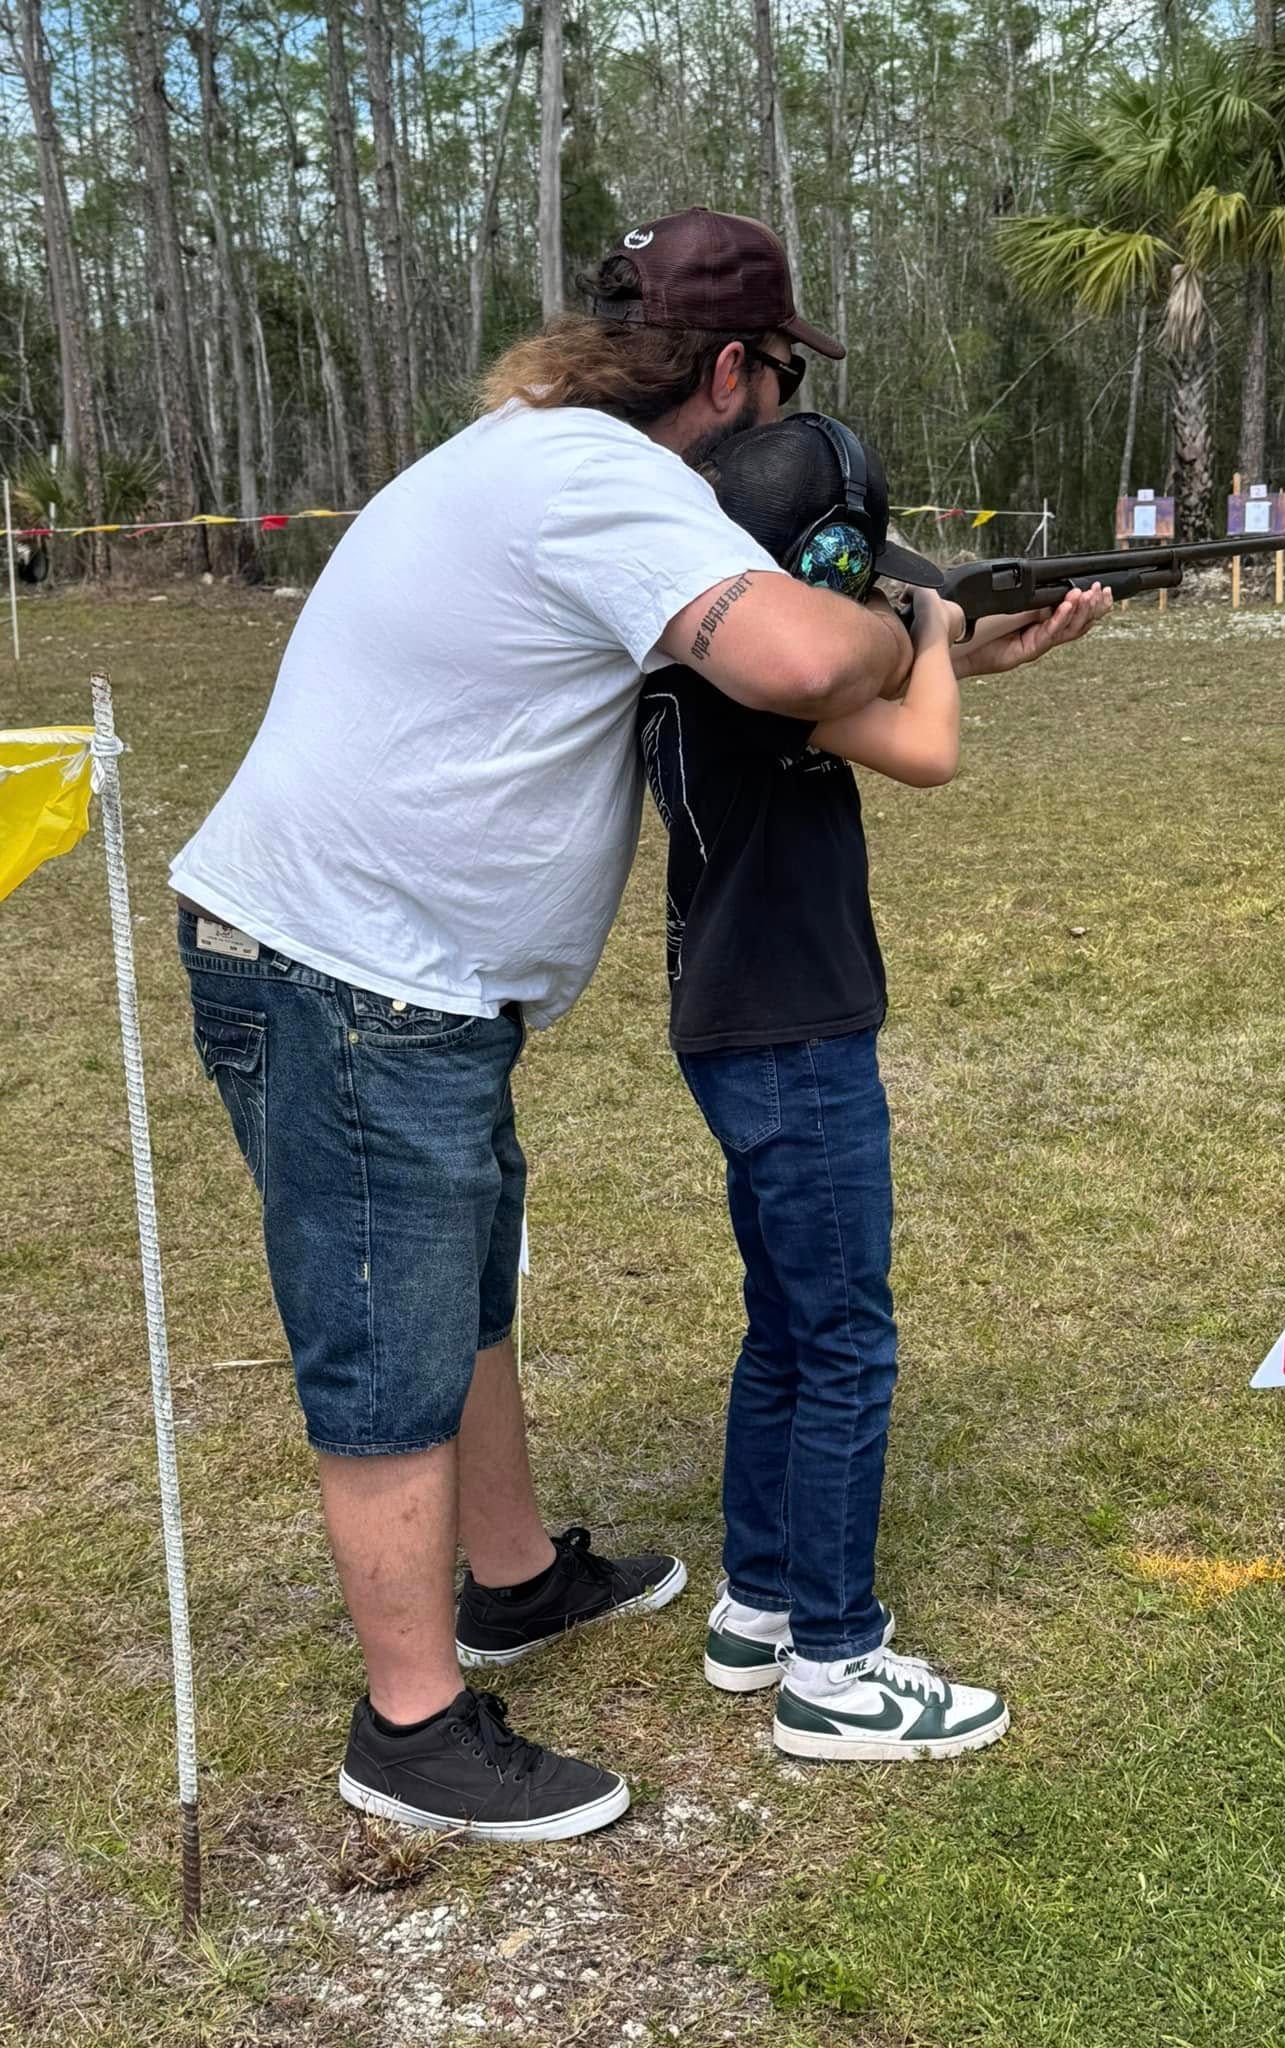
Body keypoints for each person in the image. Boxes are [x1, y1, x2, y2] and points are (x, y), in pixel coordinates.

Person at [170, 204, 1100, 1839]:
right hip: (349, 969)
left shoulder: (538, 458)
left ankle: (516, 1578)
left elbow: (784, 681)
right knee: (388, 1339)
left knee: (459, 1289)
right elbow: (817, 651)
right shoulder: (606, 482)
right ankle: (410, 1731)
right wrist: (920, 624)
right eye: (773, 376)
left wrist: (962, 649)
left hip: (401, 976)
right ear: (732, 371)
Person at [639, 416, 1108, 1758]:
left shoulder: (698, 652)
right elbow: (926, 748)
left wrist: (982, 643)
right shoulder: (776, 680)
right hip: (796, 1027)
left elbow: (880, 695)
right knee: (846, 1338)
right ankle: (837, 1667)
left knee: (785, 1326)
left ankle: (760, 1603)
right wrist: (944, 642)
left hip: (735, 1019)